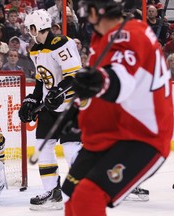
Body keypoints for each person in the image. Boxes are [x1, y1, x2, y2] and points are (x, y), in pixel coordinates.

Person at [62, 1, 173, 215]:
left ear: (94, 12)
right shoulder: (104, 36)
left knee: (88, 194)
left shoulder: (130, 34)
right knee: (72, 195)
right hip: (111, 131)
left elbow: (120, 79)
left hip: (143, 137)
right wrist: (78, 112)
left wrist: (98, 80)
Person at [19, 9, 82, 210]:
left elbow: (74, 76)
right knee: (42, 146)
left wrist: (60, 91)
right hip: (50, 106)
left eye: (30, 28)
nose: (29, 32)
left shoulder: (62, 44)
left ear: (35, 27)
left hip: (70, 105)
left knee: (71, 149)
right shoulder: (35, 50)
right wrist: (31, 100)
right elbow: (41, 81)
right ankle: (52, 192)